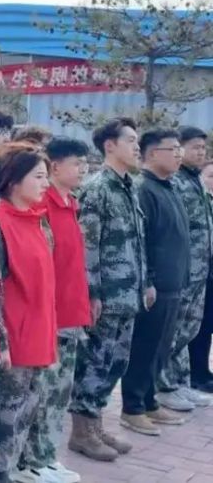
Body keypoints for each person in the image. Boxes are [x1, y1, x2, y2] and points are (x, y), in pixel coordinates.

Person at [68, 117, 145, 461]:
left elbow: (137, 241)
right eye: (130, 140)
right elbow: (87, 245)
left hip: (128, 293)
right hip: (107, 296)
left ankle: (95, 424)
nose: (137, 147)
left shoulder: (129, 187)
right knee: (95, 363)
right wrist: (92, 292)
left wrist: (145, 282)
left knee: (116, 363)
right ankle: (81, 432)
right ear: (110, 146)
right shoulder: (97, 188)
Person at [0, 144, 57, 483]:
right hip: (13, 342)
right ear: (13, 181)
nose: (45, 184)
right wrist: (1, 343)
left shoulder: (39, 222)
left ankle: (9, 473)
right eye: (38, 176)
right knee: (4, 420)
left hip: (39, 335)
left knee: (25, 415)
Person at [17, 137, 93, 483]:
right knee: (42, 393)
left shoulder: (70, 203)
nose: (83, 169)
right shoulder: (41, 206)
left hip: (71, 312)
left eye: (85, 163)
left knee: (59, 392)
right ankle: (29, 460)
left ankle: (45, 456)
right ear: (55, 166)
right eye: (77, 163)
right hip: (50, 315)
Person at [118, 128, 190, 436]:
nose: (178, 154)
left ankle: (149, 401)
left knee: (160, 347)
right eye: (172, 149)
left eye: (179, 149)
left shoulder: (169, 187)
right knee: (144, 346)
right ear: (151, 153)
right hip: (155, 285)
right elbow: (142, 241)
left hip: (174, 283)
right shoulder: (143, 189)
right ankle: (132, 407)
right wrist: (149, 280)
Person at [156, 127, 213, 410]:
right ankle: (163, 386)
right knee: (174, 331)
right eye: (195, 147)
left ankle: (180, 383)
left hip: (200, 271)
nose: (200, 152)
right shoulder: (176, 182)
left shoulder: (194, 181)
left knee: (189, 329)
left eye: (203, 148)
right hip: (183, 272)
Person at [190, 159, 213, 394]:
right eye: (211, 176)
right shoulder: (197, 203)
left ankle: (202, 370)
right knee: (199, 326)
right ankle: (196, 373)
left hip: (209, 272)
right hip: (197, 274)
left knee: (207, 325)